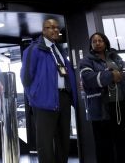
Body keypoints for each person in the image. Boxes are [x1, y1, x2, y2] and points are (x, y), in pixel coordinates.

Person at [20, 18, 77, 163]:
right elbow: (26, 77)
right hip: (43, 101)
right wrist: (35, 96)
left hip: (63, 98)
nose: (55, 30)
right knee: (45, 144)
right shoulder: (33, 49)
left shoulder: (59, 50)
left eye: (57, 27)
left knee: (63, 141)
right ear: (43, 30)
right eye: (50, 27)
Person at [79, 32, 125, 163]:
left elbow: (123, 73)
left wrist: (118, 75)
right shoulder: (86, 61)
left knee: (122, 142)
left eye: (100, 40)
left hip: (120, 106)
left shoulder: (116, 58)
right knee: (104, 145)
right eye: (94, 41)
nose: (98, 43)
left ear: (105, 43)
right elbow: (88, 79)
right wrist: (110, 76)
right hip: (100, 108)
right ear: (91, 45)